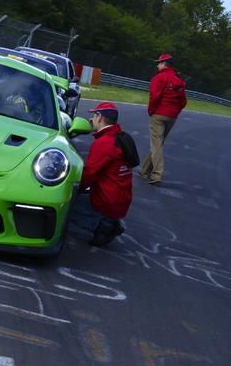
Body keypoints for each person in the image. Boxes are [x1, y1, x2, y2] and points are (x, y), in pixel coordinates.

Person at [74, 102, 139, 246]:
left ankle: (103, 226)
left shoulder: (105, 143)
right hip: (120, 199)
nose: (91, 119)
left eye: (94, 115)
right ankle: (109, 221)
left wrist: (73, 189)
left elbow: (88, 174)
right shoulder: (122, 137)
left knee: (66, 207)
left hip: (106, 201)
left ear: (99, 117)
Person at [140, 53, 187, 186]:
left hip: (159, 114)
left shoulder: (159, 78)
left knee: (156, 144)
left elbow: (154, 97)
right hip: (172, 116)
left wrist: (151, 111)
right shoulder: (179, 80)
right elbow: (183, 101)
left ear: (164, 63)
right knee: (158, 143)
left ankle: (157, 174)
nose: (157, 65)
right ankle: (144, 171)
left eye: (159, 63)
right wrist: (175, 112)